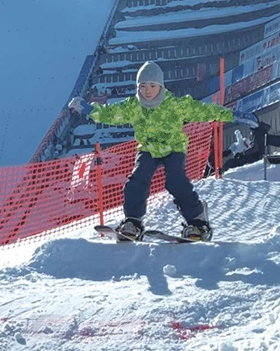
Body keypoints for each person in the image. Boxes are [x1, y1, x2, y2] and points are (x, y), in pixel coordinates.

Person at [68, 61, 234, 241]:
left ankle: (198, 221)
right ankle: (133, 222)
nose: (147, 90)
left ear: (160, 86)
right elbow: (111, 114)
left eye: (152, 86)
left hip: (173, 148)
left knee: (175, 182)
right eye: (143, 86)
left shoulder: (174, 105)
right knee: (137, 181)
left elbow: (202, 110)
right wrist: (89, 110)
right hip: (148, 149)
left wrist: (231, 115)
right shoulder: (134, 106)